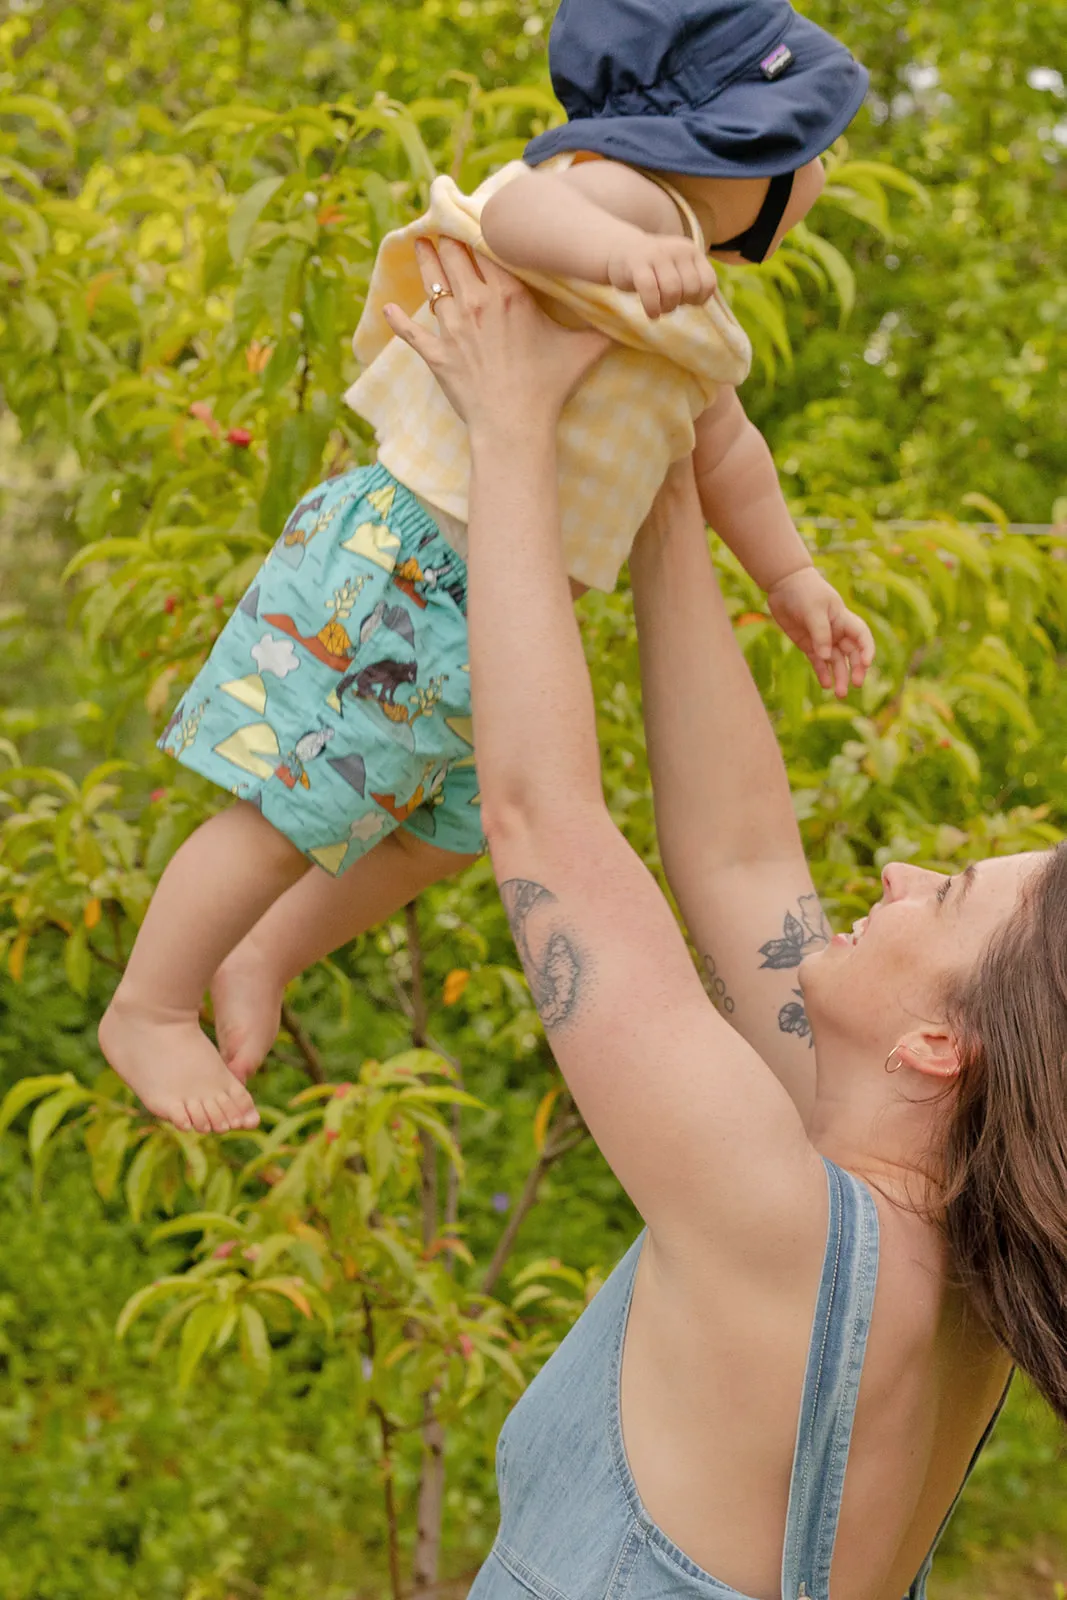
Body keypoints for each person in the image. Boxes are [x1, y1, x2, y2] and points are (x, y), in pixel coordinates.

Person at [383, 241, 1067, 1600]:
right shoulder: (955, 1285)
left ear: (939, 1048)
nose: (883, 879)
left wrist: (514, 428)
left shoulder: (781, 1230)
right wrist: (660, 483)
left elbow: (543, 822)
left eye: (937, 896)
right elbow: (742, 859)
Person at [99, 0, 875, 1131]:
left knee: (435, 838)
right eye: (816, 140)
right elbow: (516, 207)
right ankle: (150, 1005)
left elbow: (728, 457)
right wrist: (623, 252)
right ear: (742, 135)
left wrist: (791, 579)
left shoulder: (691, 303)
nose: (824, 167)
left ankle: (263, 947)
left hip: (496, 634)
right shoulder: (624, 199)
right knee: (286, 814)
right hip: (406, 576)